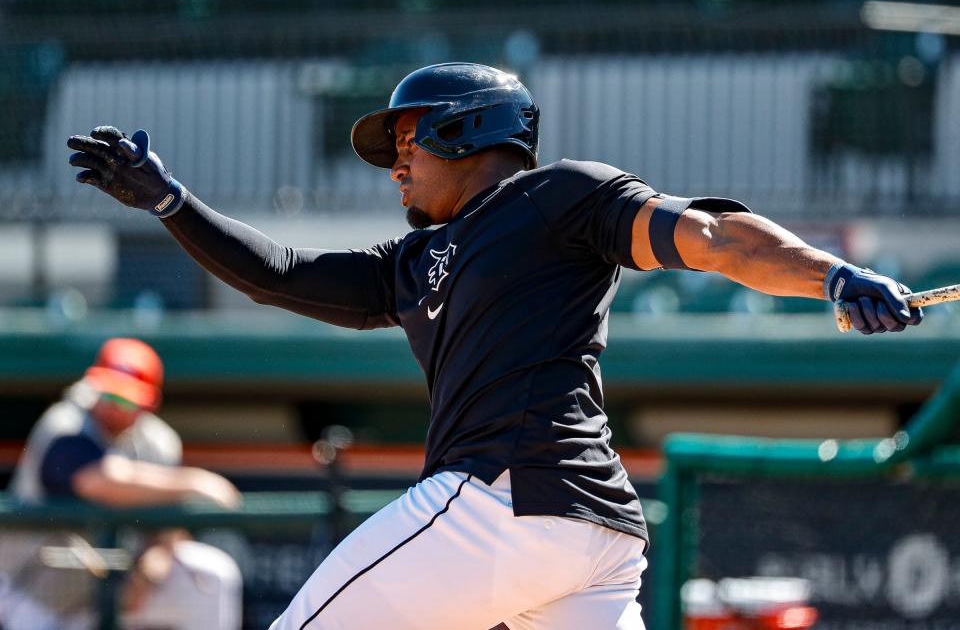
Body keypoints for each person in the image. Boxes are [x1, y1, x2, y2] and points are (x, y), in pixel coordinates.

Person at [66, 62, 922, 630]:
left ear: (466, 131)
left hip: (505, 498)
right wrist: (173, 204)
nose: (395, 166)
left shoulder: (556, 196)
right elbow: (277, 274)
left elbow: (715, 237)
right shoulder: (411, 260)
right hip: (593, 537)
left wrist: (834, 276)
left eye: (406, 142)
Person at [0, 338, 243, 630]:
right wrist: (194, 481)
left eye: (126, 399)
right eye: (109, 394)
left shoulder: (159, 443)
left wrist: (152, 568)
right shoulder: (64, 426)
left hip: (116, 585)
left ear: (148, 402)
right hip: (38, 589)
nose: (115, 407)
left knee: (214, 576)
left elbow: (170, 526)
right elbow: (98, 480)